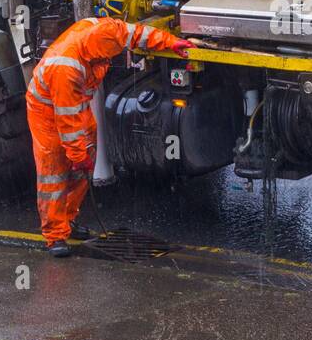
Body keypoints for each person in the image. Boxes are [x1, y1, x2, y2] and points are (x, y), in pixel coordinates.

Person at [26, 17, 195, 257]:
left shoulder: (109, 31)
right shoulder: (66, 68)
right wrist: (77, 154)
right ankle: (54, 236)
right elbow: (67, 121)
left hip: (76, 105)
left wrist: (171, 42)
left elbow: (138, 34)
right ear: (93, 54)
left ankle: (68, 220)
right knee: (54, 172)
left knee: (84, 165)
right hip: (47, 112)